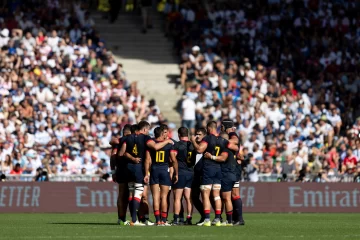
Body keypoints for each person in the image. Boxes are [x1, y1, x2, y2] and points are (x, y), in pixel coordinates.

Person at [119, 121, 173, 226]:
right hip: (138, 168)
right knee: (138, 194)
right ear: (144, 129)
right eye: (148, 130)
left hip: (128, 168)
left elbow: (122, 153)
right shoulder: (145, 138)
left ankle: (133, 218)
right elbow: (156, 147)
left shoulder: (127, 138)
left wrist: (131, 158)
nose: (148, 132)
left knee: (131, 193)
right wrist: (167, 141)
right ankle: (134, 220)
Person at [191, 121, 238, 226]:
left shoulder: (207, 139)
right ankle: (217, 218)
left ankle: (207, 219)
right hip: (218, 169)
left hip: (208, 168)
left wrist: (193, 141)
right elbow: (235, 147)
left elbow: (199, 150)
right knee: (216, 195)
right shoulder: (222, 140)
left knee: (205, 194)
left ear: (208, 128)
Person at [144, 126, 178, 226]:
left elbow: (147, 160)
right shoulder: (168, 145)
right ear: (162, 134)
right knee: (164, 197)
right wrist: (176, 172)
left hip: (154, 170)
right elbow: (173, 160)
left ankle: (158, 220)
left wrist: (147, 173)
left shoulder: (151, 144)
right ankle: (164, 220)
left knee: (155, 197)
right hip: (164, 171)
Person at [204, 131, 235, 226]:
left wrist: (211, 157)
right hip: (232, 174)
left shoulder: (225, 149)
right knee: (224, 198)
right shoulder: (231, 148)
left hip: (226, 174)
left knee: (225, 198)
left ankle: (224, 220)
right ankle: (225, 220)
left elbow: (222, 158)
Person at [221, 120, 245, 225]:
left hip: (233, 168)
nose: (220, 128)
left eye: (221, 126)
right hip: (233, 167)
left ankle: (239, 219)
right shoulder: (231, 135)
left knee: (234, 194)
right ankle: (236, 218)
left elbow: (235, 141)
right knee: (231, 195)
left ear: (225, 127)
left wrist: (223, 142)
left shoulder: (232, 135)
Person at [171, 127, 194, 225]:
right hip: (190, 173)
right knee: (188, 198)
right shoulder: (192, 145)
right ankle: (188, 218)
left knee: (177, 197)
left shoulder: (177, 145)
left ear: (179, 135)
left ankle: (176, 219)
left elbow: (173, 159)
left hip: (180, 172)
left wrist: (175, 173)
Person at [110, 124, 132, 225]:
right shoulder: (128, 140)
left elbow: (113, 156)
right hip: (129, 169)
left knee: (122, 194)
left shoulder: (118, 142)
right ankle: (134, 218)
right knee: (130, 194)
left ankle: (121, 218)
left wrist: (113, 171)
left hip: (120, 170)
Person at [190, 127, 206, 225]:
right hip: (195, 175)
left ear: (204, 135)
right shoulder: (193, 147)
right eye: (196, 134)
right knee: (194, 197)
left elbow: (199, 150)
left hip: (205, 175)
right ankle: (204, 216)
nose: (197, 136)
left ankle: (218, 217)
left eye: (199, 134)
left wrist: (193, 142)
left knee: (208, 197)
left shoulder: (206, 146)